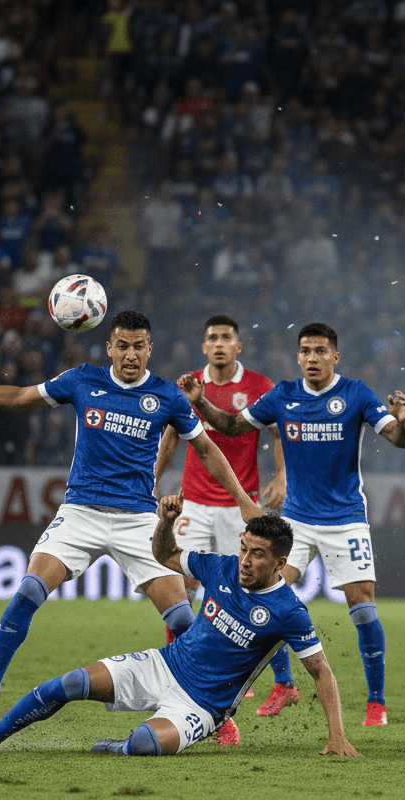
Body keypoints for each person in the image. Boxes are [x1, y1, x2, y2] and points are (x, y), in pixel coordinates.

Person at [0, 309, 260, 719]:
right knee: (27, 593)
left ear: (150, 349)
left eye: (139, 346)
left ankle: (216, 707)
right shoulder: (83, 380)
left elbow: (206, 447)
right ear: (109, 348)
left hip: (137, 519)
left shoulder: (167, 396)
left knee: (184, 621)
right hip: (80, 513)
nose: (130, 355)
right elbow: (22, 396)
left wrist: (243, 499)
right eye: (123, 346)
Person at [0, 503, 361, 759]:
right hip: (164, 665)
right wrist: (166, 522)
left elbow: (321, 671)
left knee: (143, 746)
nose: (246, 561)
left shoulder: (290, 611)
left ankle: (119, 746)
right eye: (244, 549)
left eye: (258, 555)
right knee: (69, 683)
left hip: (202, 707)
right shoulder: (221, 567)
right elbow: (166, 554)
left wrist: (337, 736)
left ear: (280, 561)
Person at [179, 322, 405, 727]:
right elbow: (234, 425)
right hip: (297, 522)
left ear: (335, 357)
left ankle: (376, 703)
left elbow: (398, 438)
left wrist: (402, 421)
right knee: (267, 597)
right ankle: (281, 684)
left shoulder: (355, 393)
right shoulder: (283, 395)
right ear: (298, 356)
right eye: (305, 351)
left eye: (321, 351)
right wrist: (201, 403)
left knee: (362, 607)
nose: (312, 358)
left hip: (345, 518)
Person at [154, 314, 289, 746]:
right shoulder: (189, 383)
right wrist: (152, 477)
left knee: (256, 593)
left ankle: (283, 681)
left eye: (225, 338)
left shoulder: (259, 386)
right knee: (182, 589)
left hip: (239, 504)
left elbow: (277, 431)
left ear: (238, 345)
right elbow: (173, 439)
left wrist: (281, 476)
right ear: (203, 345)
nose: (218, 344)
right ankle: (186, 673)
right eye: (211, 337)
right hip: (194, 502)